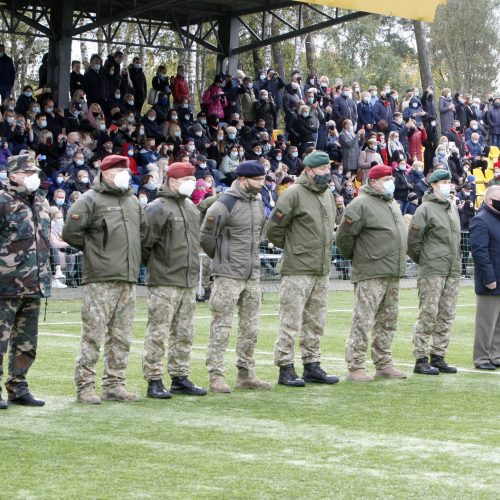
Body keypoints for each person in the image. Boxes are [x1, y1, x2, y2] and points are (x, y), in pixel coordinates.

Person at [62, 154, 147, 404]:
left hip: (128, 278)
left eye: (127, 171)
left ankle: (115, 384)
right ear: (106, 173)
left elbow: (142, 232)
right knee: (93, 333)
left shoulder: (132, 201)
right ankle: (85, 386)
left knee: (122, 335)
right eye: (121, 171)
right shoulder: (90, 200)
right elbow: (71, 233)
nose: (126, 175)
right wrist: (97, 251)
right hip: (100, 278)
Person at [267, 151, 339, 387]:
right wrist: (295, 247)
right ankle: (285, 367)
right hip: (298, 268)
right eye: (322, 169)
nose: (326, 173)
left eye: (328, 169)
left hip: (320, 268)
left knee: (316, 320)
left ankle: (312, 364)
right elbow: (274, 230)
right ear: (309, 170)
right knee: (290, 320)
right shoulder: (293, 194)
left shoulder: (327, 194)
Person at [200, 161, 271, 393]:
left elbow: (260, 233)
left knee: (251, 327)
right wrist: (222, 258)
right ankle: (216, 375)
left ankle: (246, 374)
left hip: (252, 274)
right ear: (243, 180)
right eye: (257, 180)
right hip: (228, 275)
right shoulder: (224, 204)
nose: (262, 184)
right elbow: (206, 238)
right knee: (222, 326)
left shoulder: (258, 202)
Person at [336, 164, 408, 382]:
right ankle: (356, 366)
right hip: (370, 271)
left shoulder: (392, 203)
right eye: (386, 179)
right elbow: (344, 238)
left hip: (392, 271)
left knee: (388, 320)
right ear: (374, 182)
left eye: (391, 179)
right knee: (363, 320)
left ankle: (383, 363)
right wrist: (360, 257)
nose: (391, 183)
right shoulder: (360, 204)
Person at [141, 162, 207, 399]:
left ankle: (180, 376)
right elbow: (145, 244)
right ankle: (154, 378)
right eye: (186, 179)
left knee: (184, 332)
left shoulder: (190, 206)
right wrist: (159, 265)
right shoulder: (157, 208)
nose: (191, 183)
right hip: (164, 280)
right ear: (173, 181)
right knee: (158, 332)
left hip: (187, 280)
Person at [0, 155, 51, 408]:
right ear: (13, 175)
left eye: (36, 172)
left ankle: (18, 387)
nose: (34, 176)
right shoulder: (2, 201)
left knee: (27, 342)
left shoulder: (40, 203)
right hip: (5, 285)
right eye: (28, 172)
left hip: (34, 285)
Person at [407, 169, 461, 375]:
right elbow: (413, 242)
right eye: (445, 182)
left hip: (452, 270)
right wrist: (426, 260)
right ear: (434, 185)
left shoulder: (451, 208)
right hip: (433, 270)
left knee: (446, 314)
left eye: (450, 181)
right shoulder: (425, 209)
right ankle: (421, 358)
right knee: (428, 314)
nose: (450, 185)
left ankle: (438, 356)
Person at [470, 185, 500, 370]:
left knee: (498, 324)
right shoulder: (480, 220)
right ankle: (481, 357)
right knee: (486, 322)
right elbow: (480, 252)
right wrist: (489, 278)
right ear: (489, 200)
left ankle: (495, 355)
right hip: (490, 279)